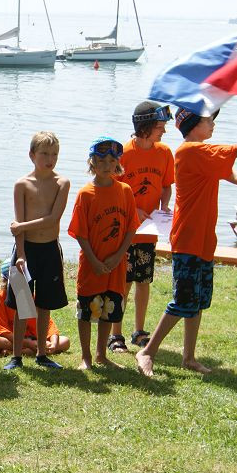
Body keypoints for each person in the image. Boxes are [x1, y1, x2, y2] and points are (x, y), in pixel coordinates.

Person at [136, 110, 237, 377]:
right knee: (183, 301)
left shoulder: (204, 154)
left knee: (197, 301)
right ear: (193, 125)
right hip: (188, 239)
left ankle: (188, 357)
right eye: (208, 120)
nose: (213, 124)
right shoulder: (190, 151)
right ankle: (147, 351)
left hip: (203, 240)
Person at [68, 137, 139, 370]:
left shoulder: (125, 191)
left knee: (109, 309)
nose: (107, 165)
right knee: (87, 311)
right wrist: (94, 260)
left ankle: (101, 354)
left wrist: (119, 255)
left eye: (112, 160)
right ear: (92, 163)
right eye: (101, 160)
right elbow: (80, 232)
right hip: (92, 264)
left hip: (116, 264)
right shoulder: (85, 194)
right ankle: (86, 357)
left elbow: (130, 227)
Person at [110, 102, 175, 353]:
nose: (164, 132)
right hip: (125, 230)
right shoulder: (123, 152)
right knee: (123, 282)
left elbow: (167, 184)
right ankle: (116, 335)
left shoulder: (165, 152)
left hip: (149, 230)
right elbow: (113, 189)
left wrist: (164, 205)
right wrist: (133, 209)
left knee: (144, 280)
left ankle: (138, 331)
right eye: (160, 127)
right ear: (145, 127)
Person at [7, 131, 70, 371]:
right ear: (32, 155)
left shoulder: (62, 183)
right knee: (23, 303)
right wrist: (21, 253)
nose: (50, 158)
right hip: (25, 249)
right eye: (44, 153)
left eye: (54, 154)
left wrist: (20, 226)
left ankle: (42, 354)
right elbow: (18, 226)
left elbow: (53, 219)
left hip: (50, 249)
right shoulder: (22, 184)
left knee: (45, 304)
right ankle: (16, 357)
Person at [0, 261, 70, 357]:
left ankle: (20, 351)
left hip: (32, 338)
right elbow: (1, 330)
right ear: (6, 281)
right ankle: (30, 350)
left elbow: (49, 325)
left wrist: (54, 343)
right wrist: (28, 343)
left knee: (65, 341)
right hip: (8, 339)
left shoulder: (31, 296)